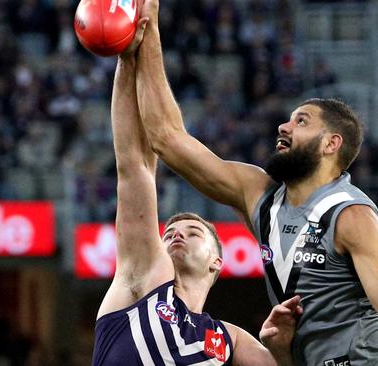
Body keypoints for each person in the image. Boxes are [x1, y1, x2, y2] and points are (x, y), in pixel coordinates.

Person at [133, 1, 378, 365]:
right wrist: (148, 33)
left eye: (302, 122)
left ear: (331, 144)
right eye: (288, 120)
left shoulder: (351, 216)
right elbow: (166, 139)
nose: (284, 127)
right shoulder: (260, 196)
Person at [93, 14, 300, 366]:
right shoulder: (143, 282)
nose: (176, 235)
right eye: (170, 232)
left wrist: (281, 348)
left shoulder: (227, 338)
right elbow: (135, 168)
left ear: (217, 262)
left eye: (193, 232)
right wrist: (128, 58)